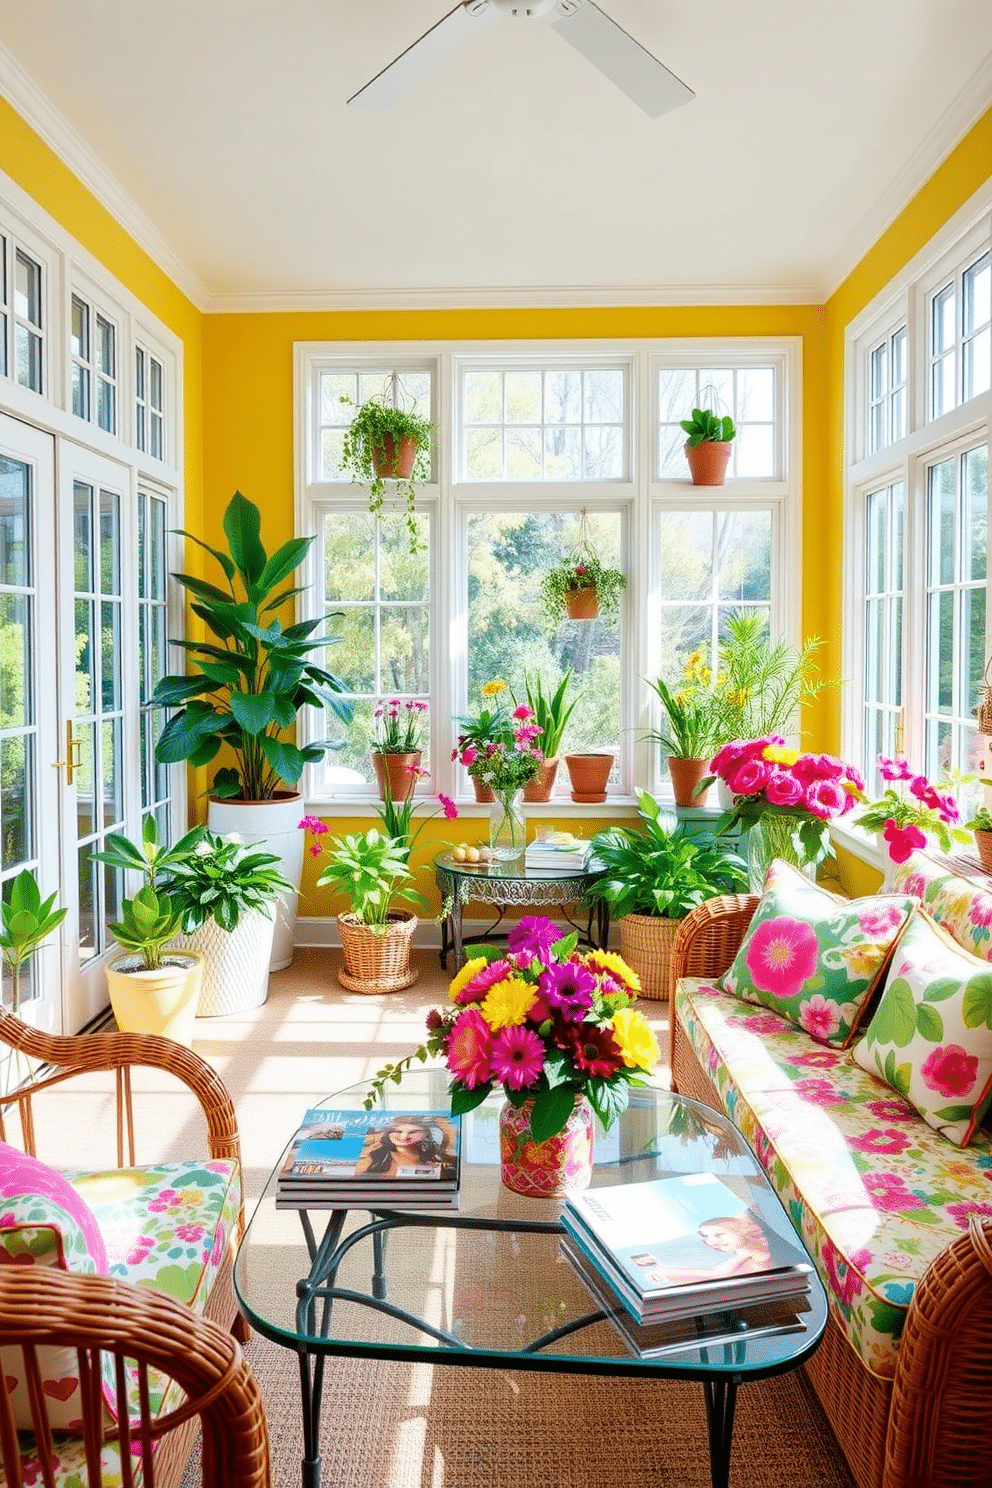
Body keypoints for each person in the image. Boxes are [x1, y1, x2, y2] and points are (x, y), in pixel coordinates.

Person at [647, 1211, 779, 1286]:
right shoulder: (745, 1251)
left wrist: (666, 1273)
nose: (712, 1242)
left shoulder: (754, 1250)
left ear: (736, 1228)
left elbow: (719, 1273)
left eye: (719, 1235)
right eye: (706, 1238)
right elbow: (719, 1273)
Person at [354, 1116, 458, 1179]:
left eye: (413, 1132)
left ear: (425, 1134)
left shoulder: (435, 1156)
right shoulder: (375, 1156)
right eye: (398, 1132)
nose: (404, 1137)